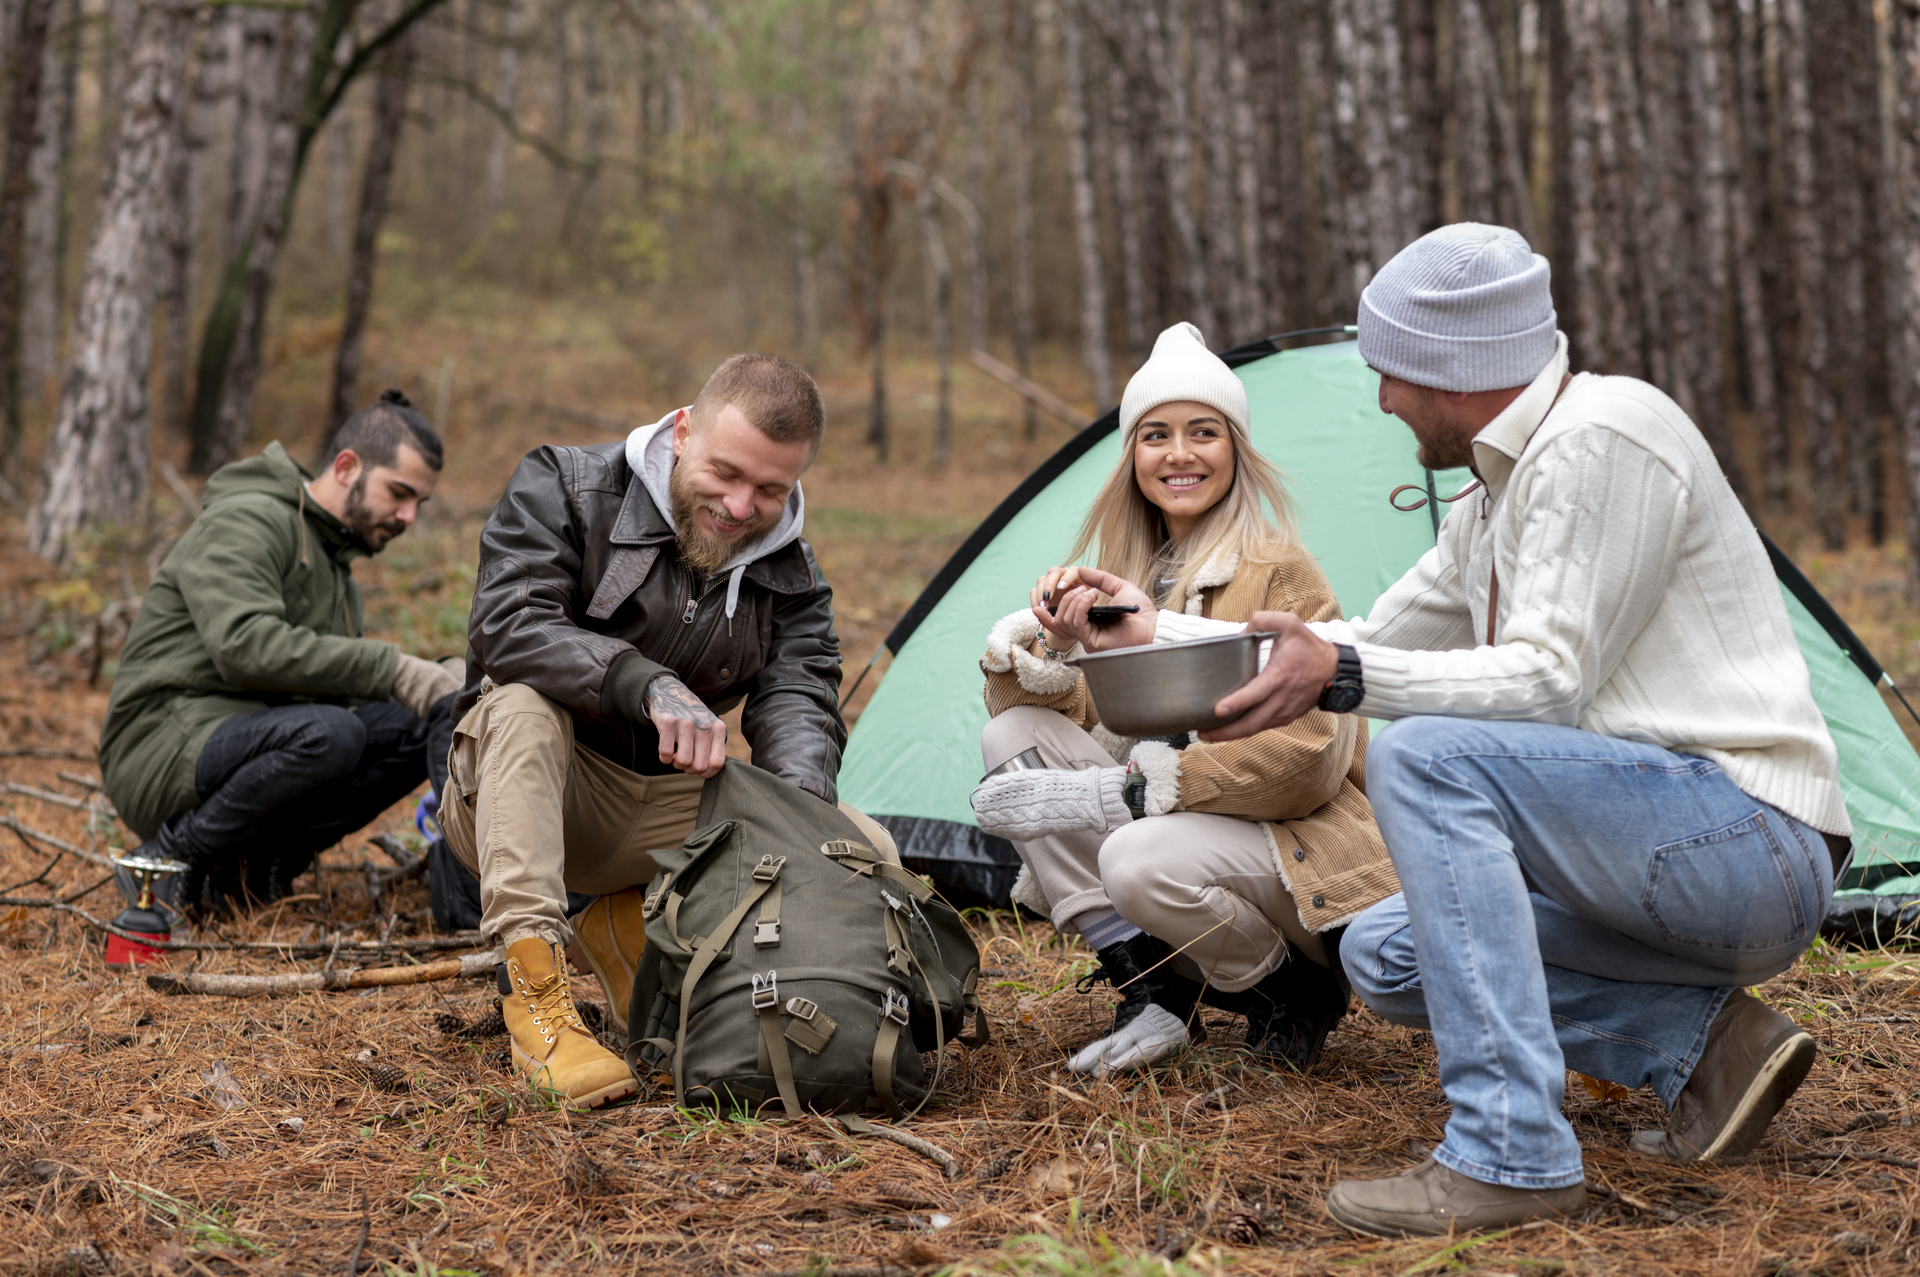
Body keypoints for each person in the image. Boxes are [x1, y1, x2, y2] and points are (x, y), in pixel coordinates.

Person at [1052, 225, 1851, 1237]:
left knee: (1427, 750)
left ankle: (1511, 1151)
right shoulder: (1493, 496)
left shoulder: (1606, 434)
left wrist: (1340, 673)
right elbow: (1362, 637)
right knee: (1386, 949)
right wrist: (1150, 621)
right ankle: (1707, 1045)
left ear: (1450, 367)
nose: (1381, 398)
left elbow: (1550, 680)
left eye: (1391, 371)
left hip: (1747, 841)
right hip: (1646, 852)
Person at [443, 351, 900, 1110]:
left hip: (665, 813)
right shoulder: (566, 485)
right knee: (523, 703)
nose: (739, 504)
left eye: (769, 488)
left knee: (857, 841)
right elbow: (509, 623)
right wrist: (642, 681)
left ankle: (634, 933)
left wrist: (797, 832)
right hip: (530, 794)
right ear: (683, 430)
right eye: (725, 472)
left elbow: (800, 704)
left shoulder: (791, 571)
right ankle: (537, 1003)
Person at [967, 322, 1397, 1079]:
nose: (1179, 454)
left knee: (1134, 853)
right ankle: (1154, 988)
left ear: (1235, 448)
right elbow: (1100, 729)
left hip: (1289, 852)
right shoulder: (1124, 573)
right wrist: (1048, 652)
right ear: (1131, 455)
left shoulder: (1278, 568)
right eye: (1155, 434)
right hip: (1181, 843)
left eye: (1204, 432)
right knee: (1013, 743)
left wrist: (1140, 790)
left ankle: (1291, 991)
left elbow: (1310, 760)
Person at [101, 391, 463, 912]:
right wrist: (394, 668)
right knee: (332, 735)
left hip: (248, 738)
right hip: (162, 742)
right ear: (346, 467)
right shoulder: (247, 520)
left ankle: (257, 869)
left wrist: (441, 678)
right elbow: (243, 646)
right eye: (399, 493)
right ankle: (173, 857)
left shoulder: (336, 569)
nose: (408, 516)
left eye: (418, 504)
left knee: (417, 717)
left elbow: (332, 696)